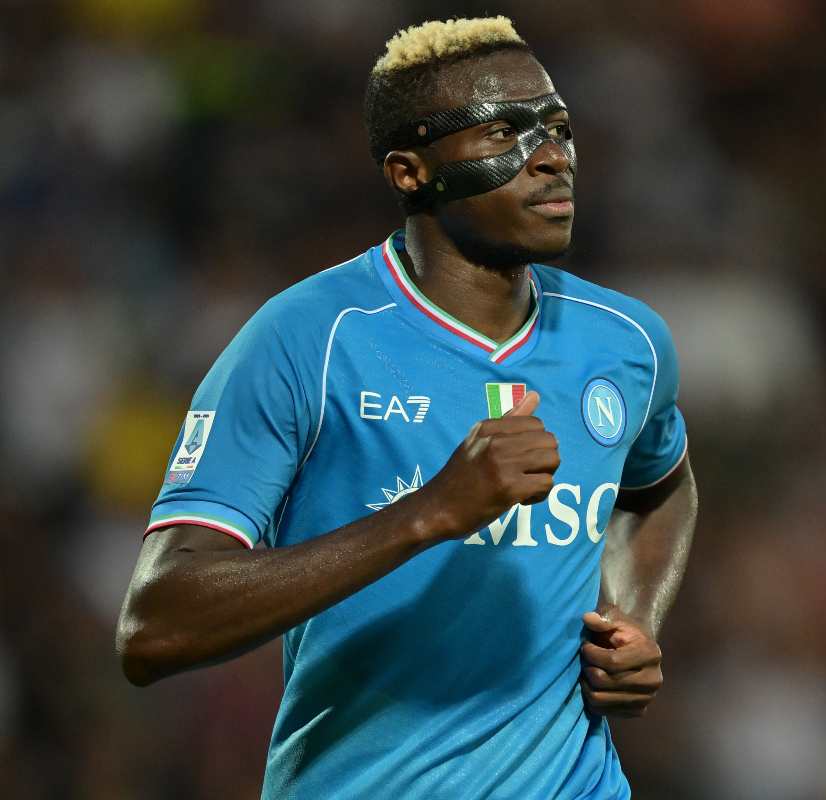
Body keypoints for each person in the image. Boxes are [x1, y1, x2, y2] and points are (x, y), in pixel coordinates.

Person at [115, 15, 698, 800]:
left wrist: (632, 617)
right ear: (409, 172)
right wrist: (429, 513)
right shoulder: (307, 340)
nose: (552, 156)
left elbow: (661, 487)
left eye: (558, 128)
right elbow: (155, 627)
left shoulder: (625, 340)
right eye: (503, 132)